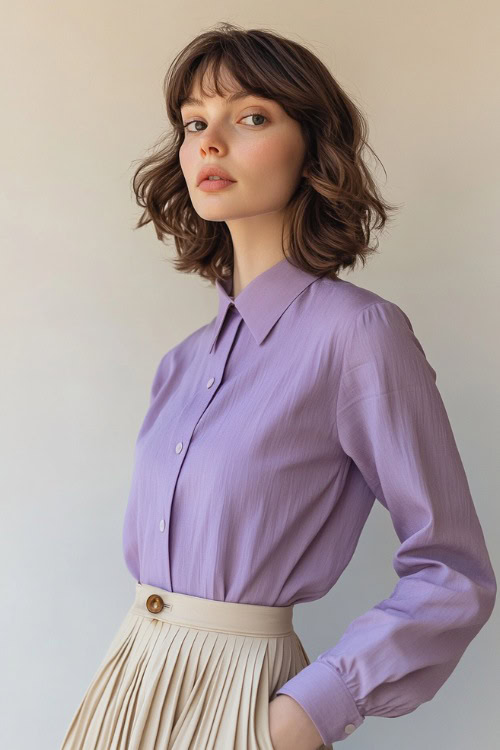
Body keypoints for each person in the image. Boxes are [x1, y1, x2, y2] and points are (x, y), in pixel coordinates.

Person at [59, 21, 496, 750]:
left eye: (250, 116)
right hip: (128, 684)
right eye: (195, 123)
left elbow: (453, 572)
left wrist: (303, 716)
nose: (209, 142)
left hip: (246, 702)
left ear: (312, 146)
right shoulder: (184, 363)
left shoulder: (358, 335)